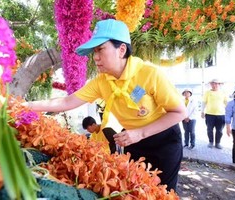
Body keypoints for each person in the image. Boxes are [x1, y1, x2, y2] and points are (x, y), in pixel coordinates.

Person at [23, 19, 186, 191]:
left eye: (100, 49)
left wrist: (140, 133)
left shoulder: (150, 74)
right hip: (134, 141)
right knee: (135, 190)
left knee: (162, 193)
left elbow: (179, 112)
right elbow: (66, 101)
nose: (96, 57)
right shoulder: (102, 82)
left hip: (164, 140)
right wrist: (24, 105)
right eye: (94, 52)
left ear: (121, 49)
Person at [201, 79, 227, 149]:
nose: (214, 85)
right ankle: (211, 142)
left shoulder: (223, 92)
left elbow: (226, 103)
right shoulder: (207, 92)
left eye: (216, 84)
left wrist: (229, 113)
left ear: (219, 84)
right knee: (209, 129)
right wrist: (202, 111)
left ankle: (218, 143)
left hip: (221, 114)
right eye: (212, 84)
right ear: (210, 85)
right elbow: (203, 102)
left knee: (220, 130)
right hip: (209, 114)